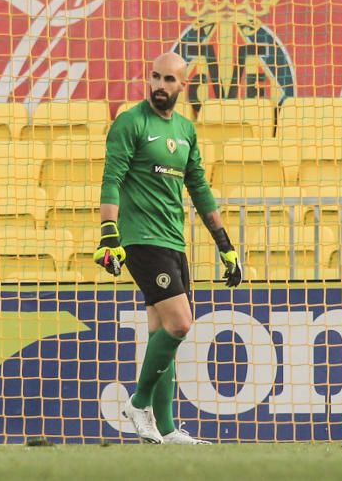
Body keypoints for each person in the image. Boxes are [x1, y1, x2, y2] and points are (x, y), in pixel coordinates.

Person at [97, 51, 242, 445]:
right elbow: (111, 179)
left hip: (173, 241)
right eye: (155, 78)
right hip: (141, 239)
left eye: (169, 80)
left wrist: (225, 246)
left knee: (165, 335)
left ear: (183, 85)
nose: (160, 86)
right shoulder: (130, 123)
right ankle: (138, 402)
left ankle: (166, 429)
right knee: (180, 322)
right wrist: (109, 233)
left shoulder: (185, 129)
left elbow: (198, 187)